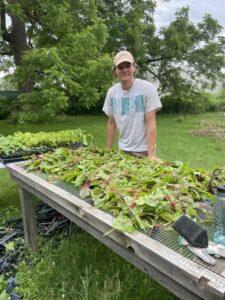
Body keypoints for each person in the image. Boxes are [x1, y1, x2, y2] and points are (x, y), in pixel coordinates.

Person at [102, 50, 162, 160]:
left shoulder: (147, 89)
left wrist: (151, 155)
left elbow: (150, 123)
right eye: (120, 67)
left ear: (134, 68)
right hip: (123, 151)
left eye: (128, 65)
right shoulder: (112, 93)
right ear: (115, 71)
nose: (124, 70)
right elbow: (111, 123)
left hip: (144, 151)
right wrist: (108, 150)